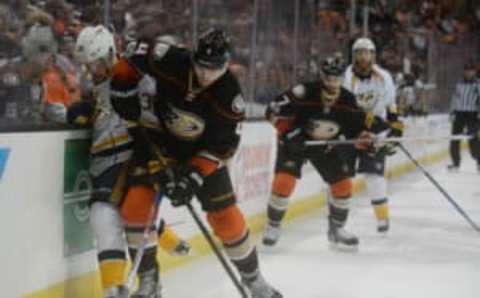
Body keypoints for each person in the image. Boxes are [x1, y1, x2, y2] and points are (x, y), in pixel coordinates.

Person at [109, 28, 282, 298]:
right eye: (201, 66)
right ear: (193, 56)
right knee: (135, 207)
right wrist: (122, 88)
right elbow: (132, 52)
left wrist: (193, 176)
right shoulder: (171, 59)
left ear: (226, 65)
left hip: (201, 153)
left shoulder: (230, 97)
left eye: (213, 69)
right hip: (160, 143)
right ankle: (149, 280)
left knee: (225, 217)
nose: (204, 75)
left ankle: (253, 279)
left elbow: (223, 147)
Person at [70, 25, 188, 298]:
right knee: (113, 215)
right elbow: (97, 111)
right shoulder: (99, 85)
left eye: (95, 63)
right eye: (87, 65)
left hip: (134, 156)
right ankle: (127, 281)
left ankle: (127, 285)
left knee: (109, 215)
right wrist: (80, 111)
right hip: (104, 162)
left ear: (110, 53)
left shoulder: (135, 75)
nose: (91, 70)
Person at [262, 57, 396, 250]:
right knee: (284, 182)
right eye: (329, 78)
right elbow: (271, 111)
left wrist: (367, 139)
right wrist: (288, 131)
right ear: (322, 76)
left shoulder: (348, 100)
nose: (332, 84)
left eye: (337, 78)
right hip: (294, 143)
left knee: (343, 185)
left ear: (342, 78)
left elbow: (356, 128)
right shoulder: (303, 92)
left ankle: (337, 229)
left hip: (322, 145)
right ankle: (273, 225)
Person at [342, 37, 403, 234]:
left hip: (376, 133)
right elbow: (346, 108)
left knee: (374, 176)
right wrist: (363, 125)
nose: (363, 57)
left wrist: (395, 128)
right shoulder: (346, 77)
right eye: (359, 53)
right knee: (340, 177)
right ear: (353, 55)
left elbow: (391, 104)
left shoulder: (383, 76)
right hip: (352, 132)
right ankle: (336, 221)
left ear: (373, 55)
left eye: (367, 53)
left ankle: (382, 218)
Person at [447, 63, 480, 171]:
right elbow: (454, 98)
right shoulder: (459, 84)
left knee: (473, 139)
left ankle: (479, 160)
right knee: (454, 139)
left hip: (472, 114)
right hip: (459, 113)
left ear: (474, 72)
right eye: (466, 70)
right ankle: (455, 163)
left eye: (471, 71)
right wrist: (452, 112)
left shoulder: (477, 84)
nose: (468, 73)